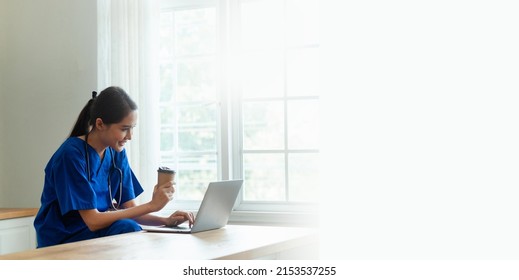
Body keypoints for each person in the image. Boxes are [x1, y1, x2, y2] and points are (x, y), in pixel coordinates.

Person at [34, 86, 194, 248]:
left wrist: (166, 221)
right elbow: (93, 221)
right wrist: (152, 205)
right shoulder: (71, 155)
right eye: (124, 129)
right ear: (100, 124)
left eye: (132, 128)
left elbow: (130, 209)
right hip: (62, 240)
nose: (130, 136)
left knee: (130, 228)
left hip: (94, 234)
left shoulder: (116, 152)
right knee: (128, 228)